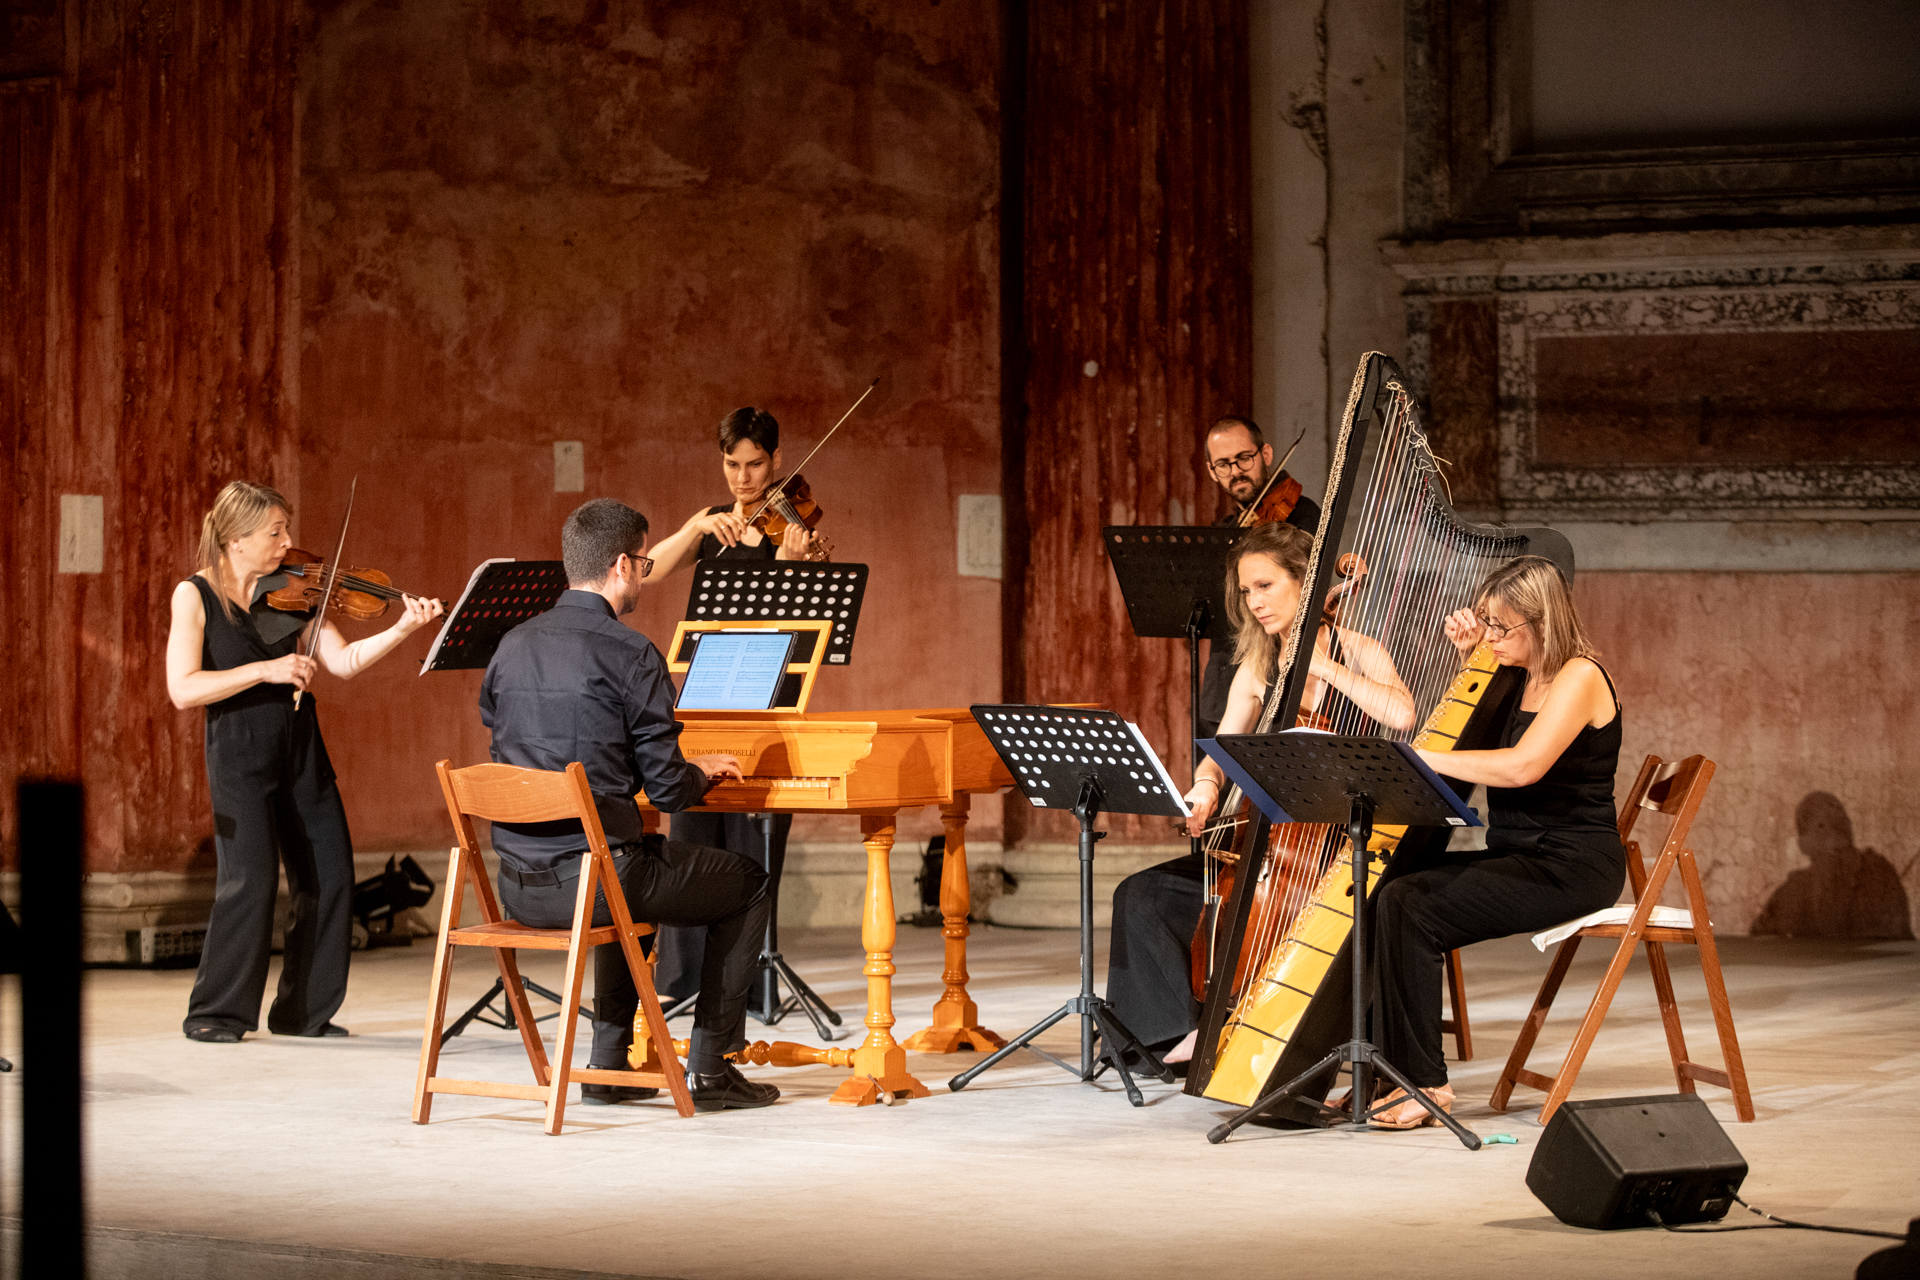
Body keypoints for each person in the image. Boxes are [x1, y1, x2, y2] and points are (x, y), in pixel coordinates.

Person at [479, 497, 779, 1111]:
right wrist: (698, 773)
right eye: (644, 562)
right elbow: (667, 791)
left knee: (621, 858)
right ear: (621, 564)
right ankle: (711, 1067)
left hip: (518, 887)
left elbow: (510, 742)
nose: (644, 573)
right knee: (747, 882)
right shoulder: (631, 652)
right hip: (594, 885)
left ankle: (608, 1064)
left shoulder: (511, 644)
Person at [1105, 521, 1414, 1070]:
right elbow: (1223, 750)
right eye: (1246, 591)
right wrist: (1205, 785)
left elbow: (1403, 714)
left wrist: (1323, 667)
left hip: (1341, 846)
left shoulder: (1358, 649)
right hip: (1272, 841)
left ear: (1306, 582)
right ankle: (1178, 1032)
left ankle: (1250, 1025)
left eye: (1265, 586)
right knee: (1142, 894)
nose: (1254, 602)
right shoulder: (1257, 664)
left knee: (1268, 908)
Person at [166, 480, 445, 1043]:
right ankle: (216, 1014)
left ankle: (304, 1012)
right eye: (275, 532)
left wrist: (402, 627)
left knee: (329, 873)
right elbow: (183, 688)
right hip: (239, 751)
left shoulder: (291, 590)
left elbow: (343, 661)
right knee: (249, 881)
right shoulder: (194, 595)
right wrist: (266, 670)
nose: (287, 541)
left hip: (300, 747)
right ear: (235, 539)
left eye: (285, 530)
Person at [1362, 555, 1624, 1128]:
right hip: (1521, 852)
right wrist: (1471, 656)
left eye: (1503, 627)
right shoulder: (1520, 676)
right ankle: (1388, 1076)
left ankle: (1425, 1085)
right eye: (1489, 623)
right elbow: (1480, 728)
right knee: (1391, 893)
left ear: (1543, 621)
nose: (1493, 636)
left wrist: (1420, 758)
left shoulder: (1580, 676)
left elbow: (1523, 766)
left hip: (1571, 863)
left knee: (1411, 906)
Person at [638, 407, 821, 1013]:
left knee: (751, 839)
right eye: (732, 465)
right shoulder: (714, 524)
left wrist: (791, 567)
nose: (743, 479)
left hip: (766, 696)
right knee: (692, 826)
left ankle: (746, 981)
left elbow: (804, 626)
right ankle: (684, 979)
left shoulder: (792, 527)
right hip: (707, 691)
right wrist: (694, 525)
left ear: (776, 460)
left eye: (756, 465)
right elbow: (648, 572)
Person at [1196, 416, 1320, 739]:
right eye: (1223, 464)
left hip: (1276, 679)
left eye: (1243, 458)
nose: (1235, 471)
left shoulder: (1302, 514)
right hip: (1223, 682)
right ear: (1212, 471)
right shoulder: (1221, 534)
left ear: (1265, 455)